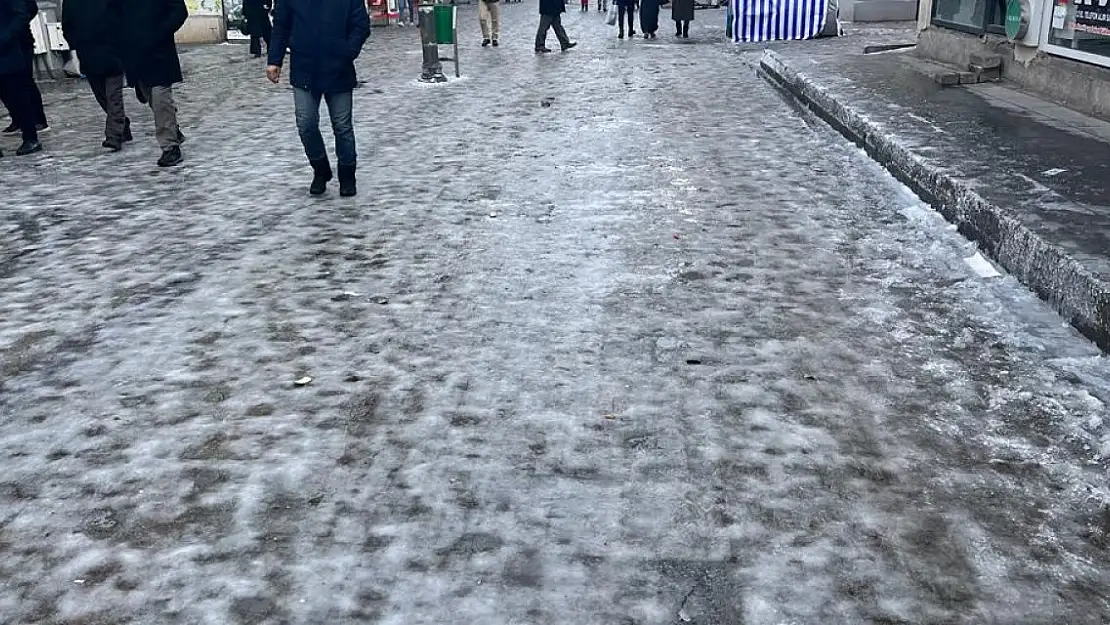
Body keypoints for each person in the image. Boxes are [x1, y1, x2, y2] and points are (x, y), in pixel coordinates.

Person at [267, 0, 370, 197]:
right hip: (304, 68)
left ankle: (347, 174)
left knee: (342, 126)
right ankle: (320, 168)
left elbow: (361, 24)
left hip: (339, 67)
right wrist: (274, 60)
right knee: (306, 123)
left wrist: (348, 50)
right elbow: (281, 26)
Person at [119, 0, 188, 167]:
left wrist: (160, 33)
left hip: (159, 53)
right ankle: (173, 130)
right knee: (153, 100)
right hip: (135, 55)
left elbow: (179, 11)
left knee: (160, 100)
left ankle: (170, 147)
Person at [63, 0, 133, 151]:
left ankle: (114, 136)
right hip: (87, 54)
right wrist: (75, 44)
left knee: (114, 96)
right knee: (102, 96)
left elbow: (123, 16)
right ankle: (122, 124)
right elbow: (67, 25)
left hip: (112, 51)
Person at [0, 0, 41, 155]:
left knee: (16, 98)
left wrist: (5, 36)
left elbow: (23, 13)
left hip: (6, 53)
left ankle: (30, 137)